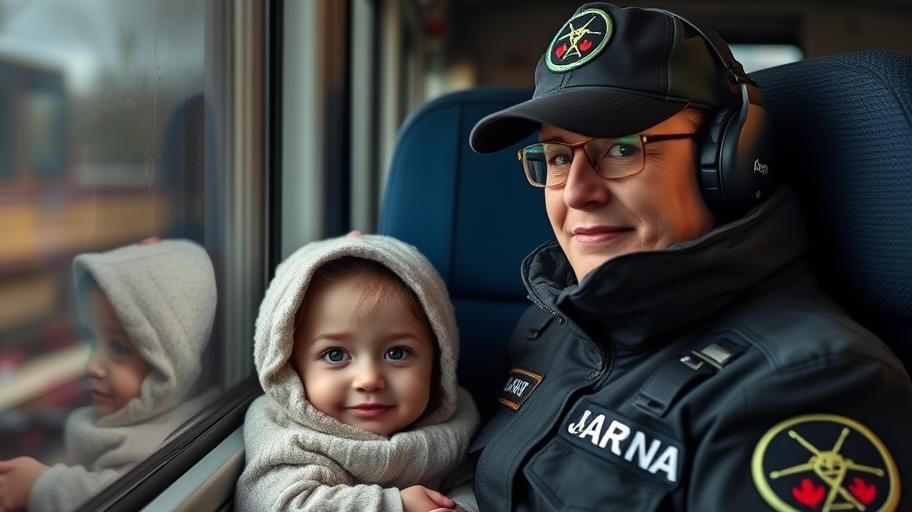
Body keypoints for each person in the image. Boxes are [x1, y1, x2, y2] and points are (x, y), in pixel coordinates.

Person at [465, 3, 912, 511]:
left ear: (727, 162)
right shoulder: (553, 322)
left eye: (623, 149)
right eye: (559, 157)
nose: (576, 193)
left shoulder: (808, 384)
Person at [234, 233, 480, 512]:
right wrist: (396, 506)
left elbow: (475, 484)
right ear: (290, 367)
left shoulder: (454, 425)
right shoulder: (287, 434)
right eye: (335, 355)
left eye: (397, 353)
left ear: (439, 359)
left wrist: (461, 507)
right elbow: (276, 503)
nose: (369, 380)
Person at [0, 239, 219, 512]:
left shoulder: (165, 445)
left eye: (119, 349)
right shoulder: (180, 412)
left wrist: (41, 486)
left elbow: (122, 493)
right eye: (93, 340)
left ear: (172, 363)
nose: (93, 365)